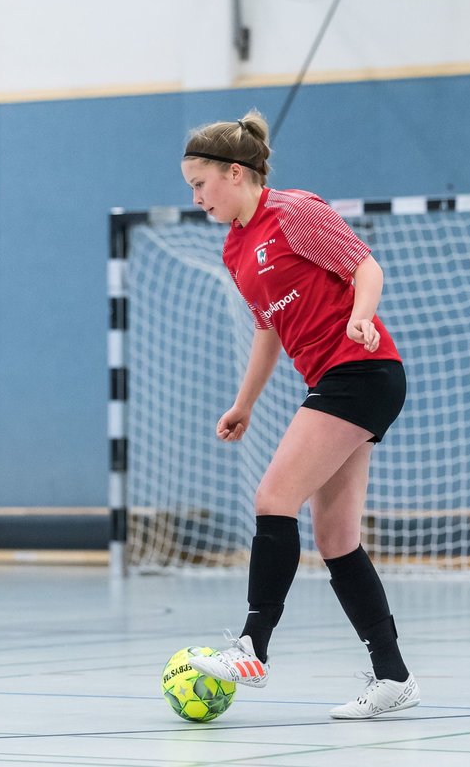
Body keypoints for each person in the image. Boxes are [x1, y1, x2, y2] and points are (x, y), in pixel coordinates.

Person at [178, 110, 419, 719]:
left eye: (200, 184)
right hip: (335, 380)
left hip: (361, 372)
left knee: (272, 497)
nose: (196, 197)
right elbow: (268, 330)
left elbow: (365, 265)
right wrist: (244, 403)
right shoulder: (235, 248)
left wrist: (362, 314)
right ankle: (392, 676)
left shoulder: (295, 212)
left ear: (236, 173)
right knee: (336, 538)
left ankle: (251, 648)